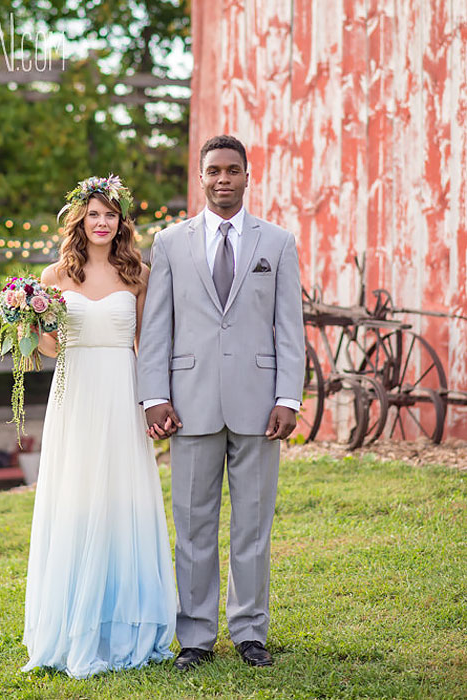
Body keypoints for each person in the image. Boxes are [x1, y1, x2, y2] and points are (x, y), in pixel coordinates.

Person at [136, 135, 305, 670]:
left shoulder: (276, 243)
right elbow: (156, 325)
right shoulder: (169, 243)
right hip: (189, 403)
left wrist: (288, 397)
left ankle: (251, 631)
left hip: (260, 406)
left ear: (247, 176)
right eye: (214, 171)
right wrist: (155, 396)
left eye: (233, 170)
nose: (223, 179)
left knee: (253, 524)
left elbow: (289, 329)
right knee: (193, 523)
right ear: (201, 177)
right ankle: (196, 637)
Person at [22, 175, 177, 679]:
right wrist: (29, 321)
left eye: (110, 215)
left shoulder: (138, 274)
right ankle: (73, 624)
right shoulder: (52, 277)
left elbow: (147, 345)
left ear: (122, 221)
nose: (102, 223)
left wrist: (155, 400)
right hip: (74, 393)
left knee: (121, 498)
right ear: (80, 220)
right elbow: (48, 349)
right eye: (94, 214)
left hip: (119, 389)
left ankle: (123, 624)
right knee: (77, 496)